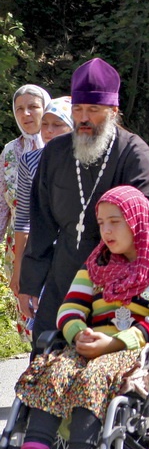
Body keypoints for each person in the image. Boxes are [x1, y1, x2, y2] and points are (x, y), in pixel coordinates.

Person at [13, 185, 149, 449]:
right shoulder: (97, 262)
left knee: (95, 375)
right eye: (101, 223)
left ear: (137, 220)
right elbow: (70, 308)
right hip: (90, 345)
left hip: (138, 350)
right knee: (54, 371)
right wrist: (77, 333)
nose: (106, 231)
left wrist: (113, 344)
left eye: (114, 222)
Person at [20, 60, 149, 339]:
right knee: (44, 358)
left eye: (93, 110)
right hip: (65, 272)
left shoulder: (133, 153)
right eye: (78, 110)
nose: (83, 118)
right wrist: (31, 282)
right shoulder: (56, 152)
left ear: (113, 111)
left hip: (118, 279)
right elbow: (41, 222)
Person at [11, 97, 73, 339]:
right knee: (45, 327)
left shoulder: (84, 161)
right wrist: (20, 270)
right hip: (43, 250)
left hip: (75, 250)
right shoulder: (30, 161)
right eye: (45, 124)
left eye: (57, 124)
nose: (48, 131)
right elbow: (24, 216)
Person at [3, 84, 51, 267]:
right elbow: (1, 203)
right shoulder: (9, 151)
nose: (26, 114)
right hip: (18, 247)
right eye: (20, 109)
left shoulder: (59, 149)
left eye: (33, 107)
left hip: (53, 244)